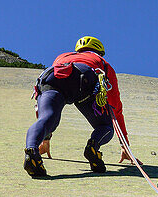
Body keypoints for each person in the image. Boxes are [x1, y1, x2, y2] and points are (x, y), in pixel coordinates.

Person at [23, 36, 131, 178]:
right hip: (83, 80)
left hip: (50, 77)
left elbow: (60, 83)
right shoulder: (102, 62)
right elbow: (115, 108)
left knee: (47, 117)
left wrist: (46, 139)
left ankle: (32, 150)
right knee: (105, 126)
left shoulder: (63, 57)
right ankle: (93, 147)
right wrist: (125, 145)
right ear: (99, 51)